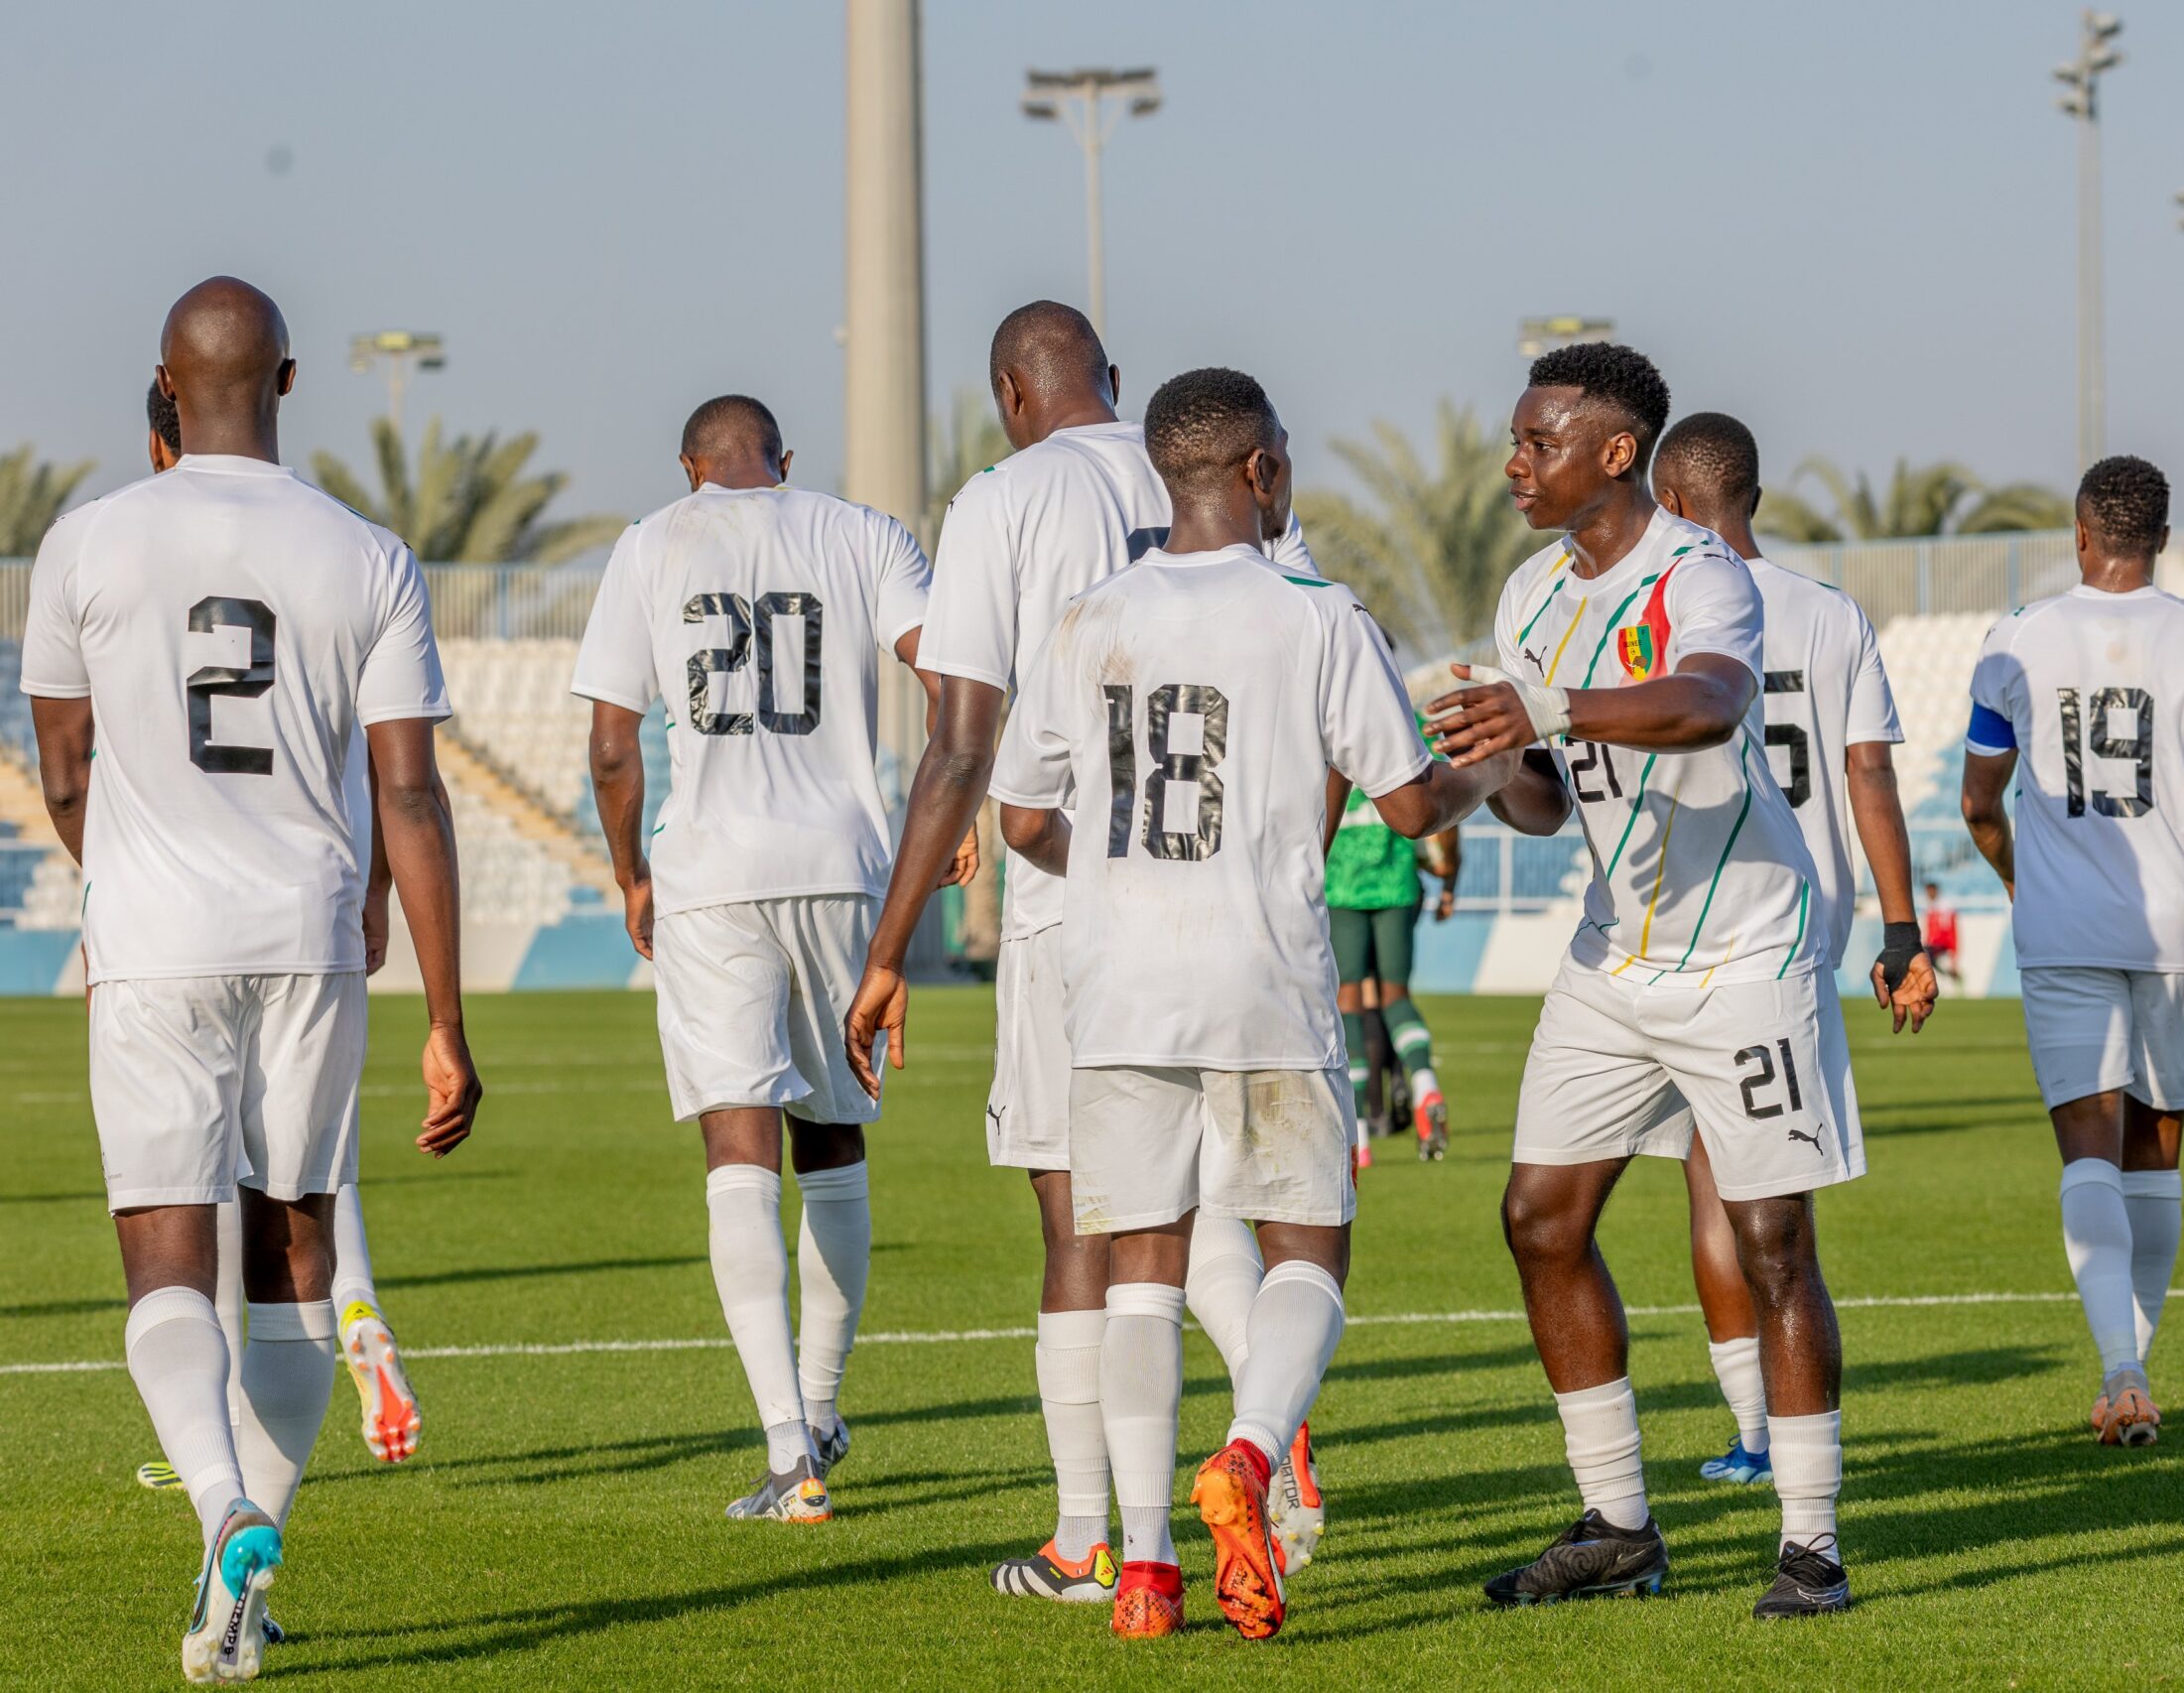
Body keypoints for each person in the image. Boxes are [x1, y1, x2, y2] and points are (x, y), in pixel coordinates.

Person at [989, 366, 1515, 1639]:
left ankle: (1149, 1570)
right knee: (1307, 1252)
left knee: (1141, 1271)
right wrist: (1489, 773)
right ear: (1262, 471)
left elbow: (1019, 817)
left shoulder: (1086, 614)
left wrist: (1112, 874)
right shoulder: (1316, 611)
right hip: (1264, 977)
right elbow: (1403, 802)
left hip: (1113, 986)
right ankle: (1248, 1451)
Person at [23, 276, 481, 1684]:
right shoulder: (368, 554)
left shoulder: (88, 540)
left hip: (154, 938)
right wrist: (448, 1018)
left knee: (168, 1251)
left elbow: (61, 765)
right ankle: (246, 1571)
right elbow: (411, 793)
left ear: (167, 383)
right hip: (309, 936)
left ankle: (222, 1509)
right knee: (294, 1252)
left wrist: (130, 871)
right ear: (287, 384)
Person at [843, 303, 1328, 1601]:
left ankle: (1088, 1539)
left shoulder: (1002, 498)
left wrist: (891, 946)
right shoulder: (1227, 466)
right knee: (1206, 1204)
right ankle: (1269, 1425)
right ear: (1113, 382)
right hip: (1248, 911)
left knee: (1087, 1215)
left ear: (1012, 388)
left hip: (1087, 909)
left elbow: (959, 738)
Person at [1426, 342, 1860, 1620]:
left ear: (1616, 453)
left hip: (1745, 953)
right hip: (1614, 953)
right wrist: (1475, 765)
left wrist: (1543, 706)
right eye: (1514, 441)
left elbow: (1712, 703)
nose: (1514, 464)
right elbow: (1550, 805)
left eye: (1538, 442)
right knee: (1539, 1219)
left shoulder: (1702, 572)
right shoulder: (1526, 592)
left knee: (1773, 1241)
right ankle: (1617, 1522)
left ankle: (1811, 1544)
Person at [573, 395, 959, 1524]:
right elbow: (950, 677)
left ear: (690, 468)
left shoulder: (651, 543)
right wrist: (958, 801)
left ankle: (790, 1448)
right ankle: (826, 1405)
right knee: (833, 1135)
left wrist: (633, 871)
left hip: (712, 872)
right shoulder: (860, 530)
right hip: (843, 866)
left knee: (736, 1141)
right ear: (785, 461)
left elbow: (610, 745)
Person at [1960, 454, 2184, 1446]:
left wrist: (2020, 879)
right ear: (2160, 539)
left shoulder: (2014, 640)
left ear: (2079, 533)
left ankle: (2119, 1367)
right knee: (2154, 1153)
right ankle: (2133, 1370)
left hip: (2063, 931)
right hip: (2177, 930)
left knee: (2087, 1144)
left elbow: (1978, 803)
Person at [131, 384, 424, 1531]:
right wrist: (386, 904)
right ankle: (354, 1310)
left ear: (165, 435)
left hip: (179, 915)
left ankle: (211, 1472)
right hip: (321, 898)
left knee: (185, 1207)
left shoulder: (125, 552)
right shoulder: (343, 558)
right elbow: (399, 780)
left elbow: (79, 765)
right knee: (299, 1187)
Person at [1650, 411, 1939, 1489]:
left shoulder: (1659, 606)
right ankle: (1790, 1424)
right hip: (1800, 927)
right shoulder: (1829, 615)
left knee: (1709, 1181)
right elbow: (1868, 774)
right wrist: (1900, 931)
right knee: (1776, 1191)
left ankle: (1757, 1432)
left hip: (1683, 924)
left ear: (1669, 503)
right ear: (1753, 499)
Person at [1325, 672, 1456, 1159]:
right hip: (1398, 886)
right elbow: (1443, 812)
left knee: (1349, 1000)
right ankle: (1424, 1083)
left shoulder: (1328, 725)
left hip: (1340, 886)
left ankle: (1357, 1128)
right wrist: (1450, 883)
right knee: (1396, 996)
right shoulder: (1415, 727)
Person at [1921, 881, 1961, 983]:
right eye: (1927, 892)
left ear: (1936, 891)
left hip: (1942, 943)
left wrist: (1953, 949)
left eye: (1930, 891)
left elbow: (1951, 930)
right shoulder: (1929, 907)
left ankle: (1947, 975)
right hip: (1933, 944)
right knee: (1924, 955)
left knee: (1925, 954)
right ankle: (1948, 974)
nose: (1928, 894)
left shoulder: (1945, 907)